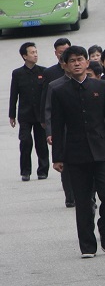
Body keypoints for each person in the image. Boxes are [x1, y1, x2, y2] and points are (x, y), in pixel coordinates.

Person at [51, 46, 105, 258]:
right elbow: (58, 124)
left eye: (80, 59)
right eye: (72, 61)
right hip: (75, 154)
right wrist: (58, 157)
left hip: (103, 152)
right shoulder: (59, 91)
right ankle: (87, 245)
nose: (77, 63)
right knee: (82, 201)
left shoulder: (102, 86)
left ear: (87, 62)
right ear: (66, 65)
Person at [40, 38, 74, 204]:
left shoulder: (84, 79)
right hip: (62, 131)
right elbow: (47, 107)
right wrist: (49, 131)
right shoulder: (52, 79)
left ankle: (87, 196)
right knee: (66, 166)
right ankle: (70, 196)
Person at [9, 42, 49, 182]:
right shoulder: (17, 73)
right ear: (24, 56)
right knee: (25, 141)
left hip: (40, 114)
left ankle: (43, 170)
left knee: (41, 143)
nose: (35, 55)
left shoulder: (44, 72)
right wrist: (12, 115)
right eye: (32, 52)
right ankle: (25, 171)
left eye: (36, 52)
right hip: (25, 114)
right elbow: (14, 94)